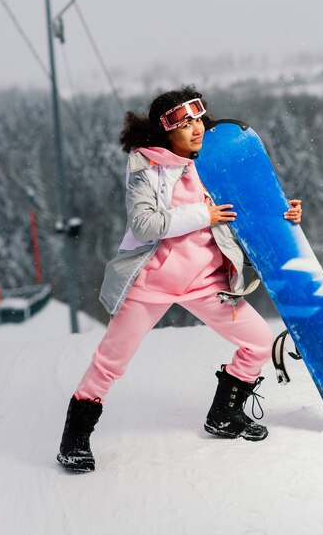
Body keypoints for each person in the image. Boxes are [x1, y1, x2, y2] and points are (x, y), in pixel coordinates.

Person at [57, 85, 302, 472]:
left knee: (257, 343)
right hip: (151, 280)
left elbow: (249, 211)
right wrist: (203, 215)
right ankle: (74, 440)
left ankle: (224, 415)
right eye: (183, 123)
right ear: (165, 131)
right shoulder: (146, 165)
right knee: (111, 361)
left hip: (206, 280)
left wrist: (283, 214)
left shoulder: (213, 163)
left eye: (197, 119)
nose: (195, 128)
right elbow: (144, 222)